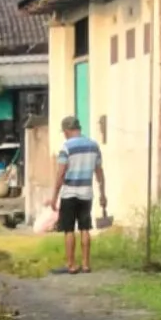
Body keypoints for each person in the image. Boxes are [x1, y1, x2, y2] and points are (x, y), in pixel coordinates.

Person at [51, 114, 109, 273]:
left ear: (67, 130)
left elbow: (60, 174)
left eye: (64, 131)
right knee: (85, 227)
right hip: (86, 194)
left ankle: (71, 264)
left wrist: (54, 197)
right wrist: (103, 194)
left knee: (69, 229)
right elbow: (99, 173)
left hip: (69, 193)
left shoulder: (66, 147)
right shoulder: (93, 146)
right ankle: (85, 264)